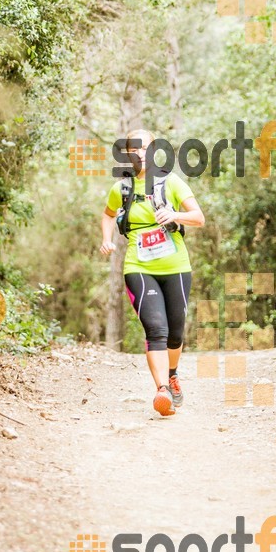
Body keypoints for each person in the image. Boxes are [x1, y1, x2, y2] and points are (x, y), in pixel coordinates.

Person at [100, 129, 205, 416]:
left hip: (176, 267)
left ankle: (172, 374)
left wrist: (175, 215)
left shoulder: (170, 182)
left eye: (144, 147)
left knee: (175, 333)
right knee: (155, 329)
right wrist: (106, 239)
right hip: (139, 266)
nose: (139, 153)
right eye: (133, 148)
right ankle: (161, 390)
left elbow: (199, 218)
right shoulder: (121, 189)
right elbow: (109, 214)